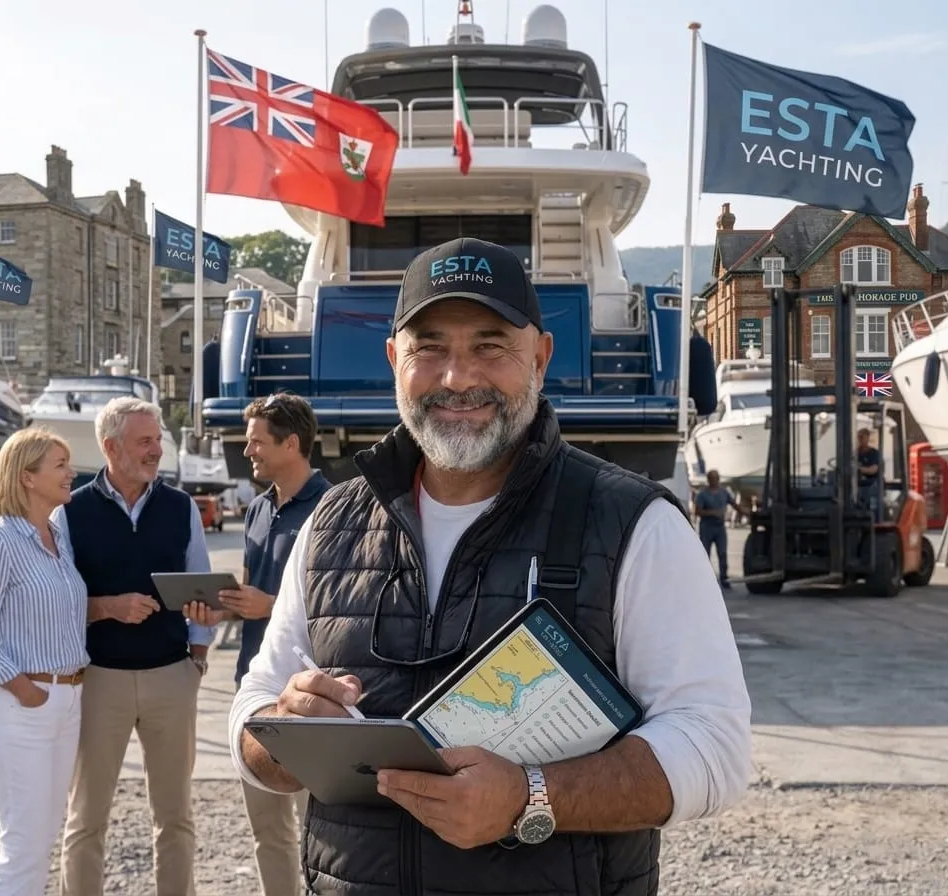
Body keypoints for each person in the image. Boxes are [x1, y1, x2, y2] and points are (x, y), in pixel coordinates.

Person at [225, 237, 753, 895]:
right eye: (430, 348)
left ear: (539, 356)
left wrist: (532, 797)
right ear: (394, 360)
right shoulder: (330, 526)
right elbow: (253, 707)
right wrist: (279, 737)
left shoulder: (634, 525)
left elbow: (714, 747)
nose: (457, 378)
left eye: (489, 346)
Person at [53, 397, 218, 896]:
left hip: (173, 676)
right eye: (145, 440)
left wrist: (198, 653)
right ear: (111, 447)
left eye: (158, 439)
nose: (157, 450)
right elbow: (56, 605)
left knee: (175, 817)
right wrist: (107, 607)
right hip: (99, 679)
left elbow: (201, 584)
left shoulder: (180, 506)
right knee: (86, 817)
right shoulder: (70, 512)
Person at [186, 392, 330, 896]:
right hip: (256, 690)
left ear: (291, 444)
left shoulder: (335, 510)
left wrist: (268, 605)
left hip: (312, 696)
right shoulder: (258, 510)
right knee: (267, 830)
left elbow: (339, 604)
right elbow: (253, 588)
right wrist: (217, 607)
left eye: (256, 443)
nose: (248, 452)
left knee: (322, 831)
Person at [0, 428, 88, 896]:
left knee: (43, 837)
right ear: (27, 477)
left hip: (66, 702)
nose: (71, 474)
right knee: (24, 845)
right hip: (21, 708)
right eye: (60, 466)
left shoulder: (57, 537)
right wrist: (26, 690)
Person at [694, 470, 745, 588]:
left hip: (720, 528)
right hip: (707, 527)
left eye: (716, 478)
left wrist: (744, 512)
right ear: (708, 480)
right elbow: (697, 511)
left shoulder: (723, 492)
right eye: (712, 478)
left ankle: (724, 578)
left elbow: (733, 503)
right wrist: (713, 513)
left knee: (722, 553)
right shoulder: (702, 494)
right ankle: (703, 579)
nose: (714, 481)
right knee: (705, 554)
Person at [856, 427, 882, 518]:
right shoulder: (855, 453)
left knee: (867, 495)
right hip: (858, 484)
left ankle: (872, 516)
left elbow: (873, 470)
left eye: (862, 437)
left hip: (871, 484)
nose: (859, 439)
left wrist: (858, 469)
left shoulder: (874, 453)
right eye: (858, 437)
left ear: (867, 438)